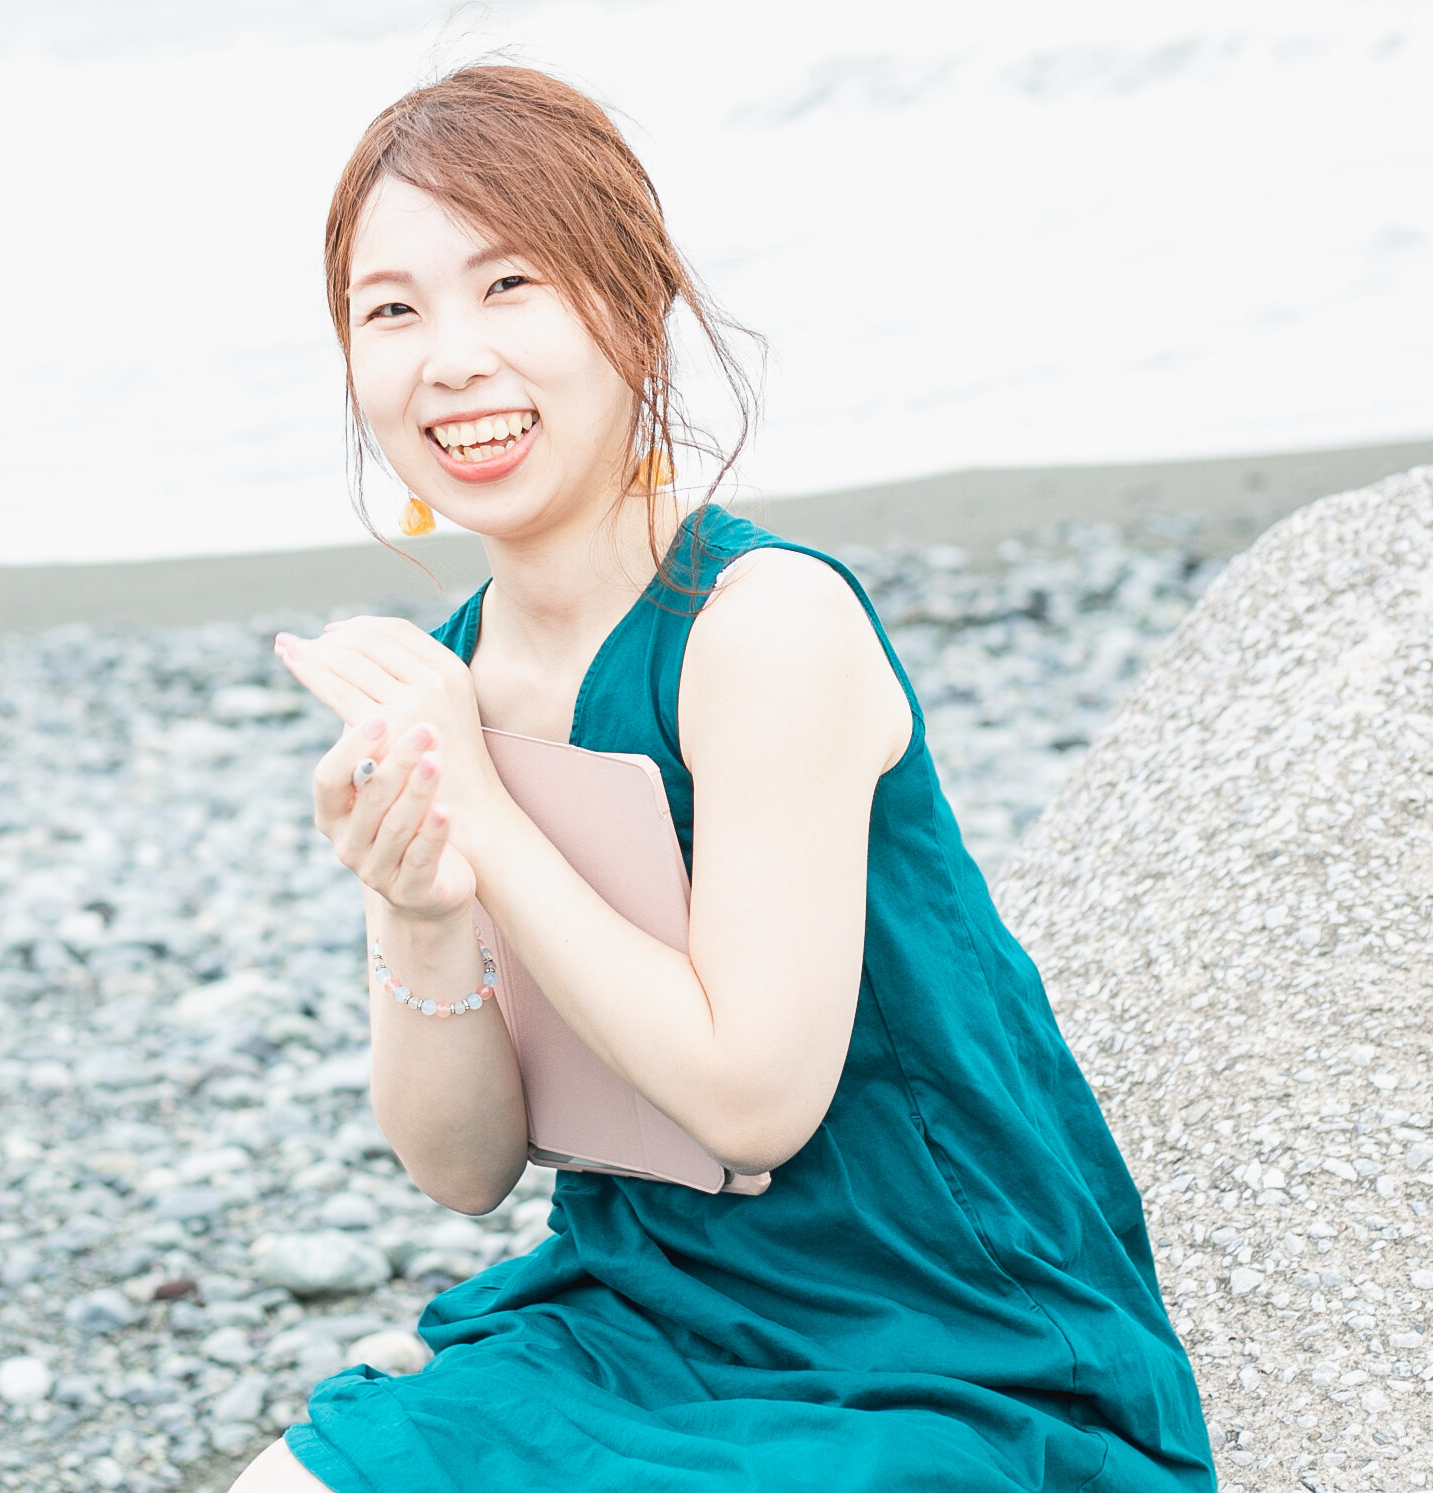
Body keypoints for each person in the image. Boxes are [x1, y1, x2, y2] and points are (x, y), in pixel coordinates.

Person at [238, 64, 1214, 1492]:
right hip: (644, 1303)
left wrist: (487, 816)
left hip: (941, 1326)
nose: (449, 358)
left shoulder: (763, 626)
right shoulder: (456, 676)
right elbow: (462, 1168)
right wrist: (419, 906)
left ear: (636, 309)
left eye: (509, 285)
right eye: (391, 311)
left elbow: (756, 1101)